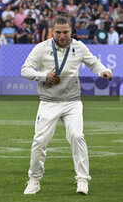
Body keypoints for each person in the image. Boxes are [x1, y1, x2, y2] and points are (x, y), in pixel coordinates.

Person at [21, 15, 113, 195]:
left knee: (77, 136)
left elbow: (93, 62)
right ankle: (34, 180)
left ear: (71, 31)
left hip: (72, 101)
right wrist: (43, 76)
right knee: (39, 141)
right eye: (58, 32)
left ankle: (82, 180)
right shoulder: (41, 48)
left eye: (65, 32)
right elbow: (25, 69)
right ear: (52, 31)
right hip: (48, 102)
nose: (62, 36)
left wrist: (104, 70)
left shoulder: (78, 47)